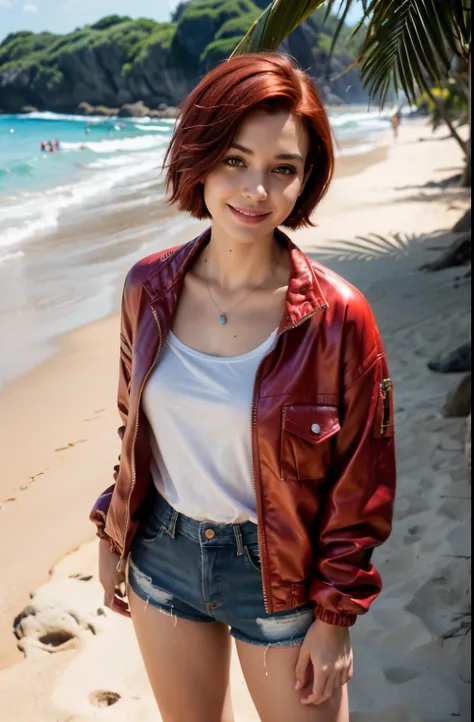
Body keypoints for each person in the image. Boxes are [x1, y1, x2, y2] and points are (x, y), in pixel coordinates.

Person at [90, 53, 396, 722]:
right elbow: (134, 426)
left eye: (282, 169)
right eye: (235, 160)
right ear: (199, 158)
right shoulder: (148, 287)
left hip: (282, 575)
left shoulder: (338, 317)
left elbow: (362, 483)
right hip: (161, 556)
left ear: (304, 181)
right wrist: (113, 532)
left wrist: (335, 616)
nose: (257, 190)